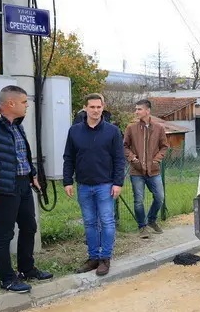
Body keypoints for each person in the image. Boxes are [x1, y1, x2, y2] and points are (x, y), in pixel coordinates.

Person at [0, 85, 53, 293]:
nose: (27, 106)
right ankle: (7, 279)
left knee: (29, 227)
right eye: (24, 102)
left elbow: (22, 154)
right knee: (4, 234)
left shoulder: (17, 125)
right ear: (11, 103)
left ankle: (27, 269)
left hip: (23, 184)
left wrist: (32, 174)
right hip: (3, 187)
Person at [63, 93, 126, 276]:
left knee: (107, 222)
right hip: (84, 185)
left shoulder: (112, 131)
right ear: (85, 108)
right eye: (92, 107)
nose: (96, 110)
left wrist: (118, 183)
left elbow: (119, 159)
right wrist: (67, 181)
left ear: (103, 108)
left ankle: (105, 258)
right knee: (90, 223)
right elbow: (69, 157)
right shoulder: (74, 131)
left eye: (99, 107)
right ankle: (93, 258)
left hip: (105, 185)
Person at [123, 99, 169, 239]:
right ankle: (142, 227)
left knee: (160, 197)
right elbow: (124, 146)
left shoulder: (159, 128)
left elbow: (164, 147)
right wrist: (133, 159)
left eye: (139, 109)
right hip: (136, 171)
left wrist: (156, 160)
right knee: (138, 201)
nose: (136, 112)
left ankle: (151, 220)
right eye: (136, 109)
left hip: (153, 170)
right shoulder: (131, 128)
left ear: (147, 111)